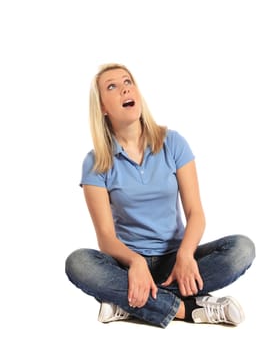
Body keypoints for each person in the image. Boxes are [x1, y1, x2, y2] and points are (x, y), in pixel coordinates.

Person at [65, 63, 255, 328]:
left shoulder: (173, 143)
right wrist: (135, 261)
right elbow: (106, 238)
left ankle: (129, 302)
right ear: (103, 108)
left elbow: (195, 214)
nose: (125, 88)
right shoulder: (96, 162)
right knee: (78, 263)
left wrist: (186, 255)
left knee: (241, 248)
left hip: (176, 262)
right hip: (128, 267)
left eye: (127, 81)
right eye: (112, 86)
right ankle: (188, 309)